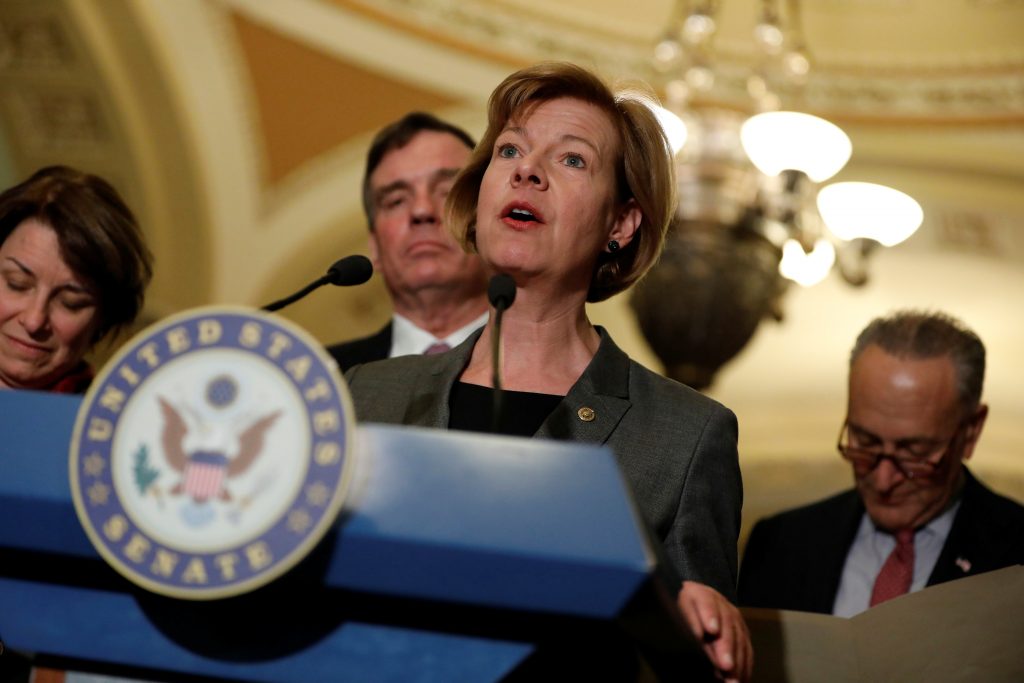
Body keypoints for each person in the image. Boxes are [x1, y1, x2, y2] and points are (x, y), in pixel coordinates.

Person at [345, 62, 751, 682]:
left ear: (620, 224)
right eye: (509, 149)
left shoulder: (686, 436)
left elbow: (699, 661)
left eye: (571, 161)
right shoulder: (371, 393)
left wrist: (703, 631)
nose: (525, 170)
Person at [738, 310, 1024, 617]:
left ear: (971, 432)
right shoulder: (781, 543)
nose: (883, 480)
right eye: (865, 442)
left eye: (914, 452)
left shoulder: (1016, 552)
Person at [327, 112, 489, 370]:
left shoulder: (558, 369)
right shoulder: (326, 379)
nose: (421, 211)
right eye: (396, 201)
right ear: (374, 247)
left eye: (447, 192)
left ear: (488, 223)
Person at [0, 165, 152, 393]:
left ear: (103, 320)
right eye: (17, 284)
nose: (34, 321)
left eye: (71, 303)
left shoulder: (113, 426)